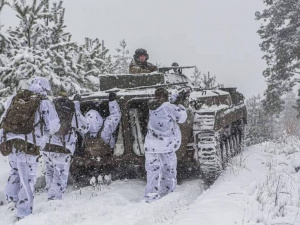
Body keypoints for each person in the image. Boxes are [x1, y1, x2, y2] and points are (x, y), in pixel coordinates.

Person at [0, 77, 60, 219]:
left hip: (12, 144)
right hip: (28, 146)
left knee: (15, 172)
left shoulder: (15, 99)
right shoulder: (44, 103)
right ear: (45, 88)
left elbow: (3, 121)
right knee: (27, 179)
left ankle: (10, 201)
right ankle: (24, 213)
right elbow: (53, 126)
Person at [42, 92, 89, 200]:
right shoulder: (71, 110)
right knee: (60, 175)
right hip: (63, 148)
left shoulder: (49, 108)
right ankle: (54, 200)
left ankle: (49, 194)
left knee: (50, 171)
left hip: (47, 146)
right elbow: (84, 127)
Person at [144, 88, 187, 202]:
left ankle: (151, 195)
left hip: (150, 145)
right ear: (165, 96)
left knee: (152, 171)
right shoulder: (168, 107)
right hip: (165, 145)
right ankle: (167, 195)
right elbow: (182, 118)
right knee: (168, 170)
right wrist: (181, 105)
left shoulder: (151, 106)